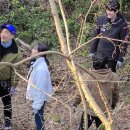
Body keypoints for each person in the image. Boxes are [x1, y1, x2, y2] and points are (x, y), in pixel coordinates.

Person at [73, 56, 120, 129]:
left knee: (82, 128)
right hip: (105, 110)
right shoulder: (114, 77)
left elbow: (80, 93)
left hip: (89, 109)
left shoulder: (86, 76)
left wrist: (75, 103)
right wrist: (113, 105)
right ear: (106, 64)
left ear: (93, 64)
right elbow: (116, 95)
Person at [89, 0, 129, 72]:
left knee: (109, 78)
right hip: (99, 54)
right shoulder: (101, 19)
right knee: (96, 76)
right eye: (107, 9)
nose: (108, 12)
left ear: (116, 11)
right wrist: (92, 50)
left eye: (110, 11)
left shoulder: (123, 25)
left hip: (112, 57)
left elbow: (124, 43)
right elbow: (96, 36)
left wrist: (120, 59)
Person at [0, 23, 23, 130]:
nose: (2, 34)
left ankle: (8, 123)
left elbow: (15, 71)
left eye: (6, 32)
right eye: (2, 32)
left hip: (5, 81)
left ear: (12, 36)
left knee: (7, 103)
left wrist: (13, 85)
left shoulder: (16, 52)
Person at [26, 43, 53, 130]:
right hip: (37, 97)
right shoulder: (37, 63)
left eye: (34, 49)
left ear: (40, 52)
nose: (32, 50)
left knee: (39, 121)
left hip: (39, 98)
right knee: (38, 120)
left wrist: (36, 105)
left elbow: (41, 88)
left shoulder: (41, 68)